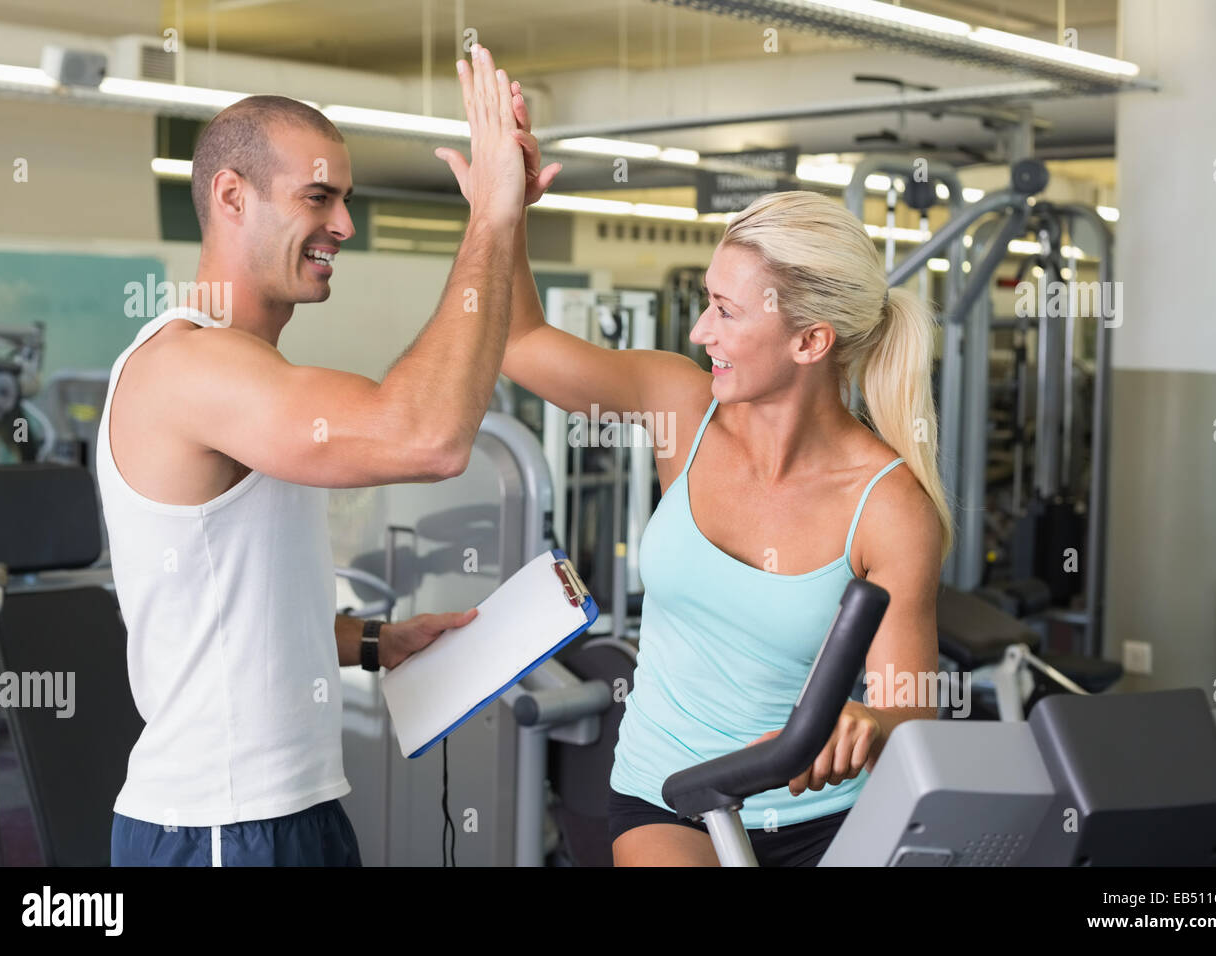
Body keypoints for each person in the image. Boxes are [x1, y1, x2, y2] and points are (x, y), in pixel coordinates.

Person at [439, 103, 948, 865]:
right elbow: (520, 343)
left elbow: (912, 711)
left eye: (724, 310)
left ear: (811, 340)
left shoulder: (889, 507)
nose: (699, 332)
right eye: (708, 299)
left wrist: (871, 725)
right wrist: (502, 211)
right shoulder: (684, 409)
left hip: (828, 820)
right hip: (667, 790)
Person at [98, 43, 556, 865]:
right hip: (221, 825)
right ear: (232, 197)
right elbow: (429, 436)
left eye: (345, 198)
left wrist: (376, 642)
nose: (344, 224)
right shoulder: (190, 368)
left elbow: (233, 605)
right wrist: (491, 213)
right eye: (319, 197)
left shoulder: (247, 375)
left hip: (284, 810)